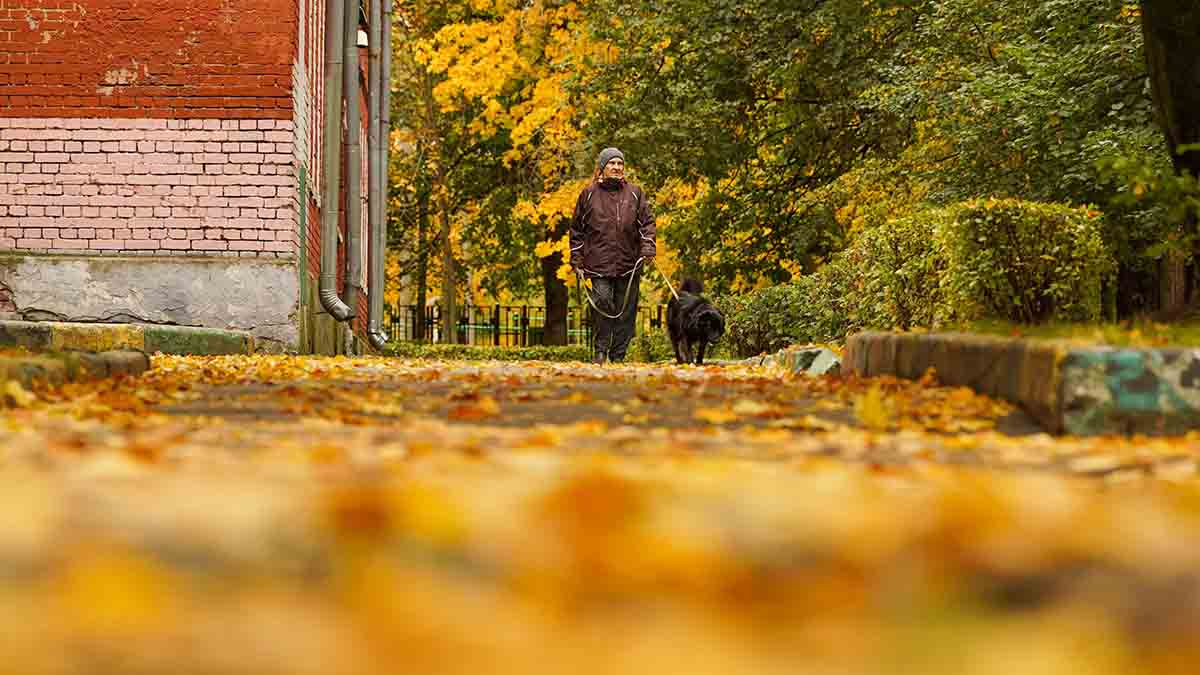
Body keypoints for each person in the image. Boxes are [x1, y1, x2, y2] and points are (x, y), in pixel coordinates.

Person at [569, 147, 657, 364]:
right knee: (602, 302)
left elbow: (647, 223)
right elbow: (576, 229)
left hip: (629, 263)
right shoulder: (588, 194)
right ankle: (600, 351)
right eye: (612, 164)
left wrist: (648, 247)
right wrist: (576, 257)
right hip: (597, 263)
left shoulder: (635, 193)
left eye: (620, 164)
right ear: (602, 167)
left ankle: (618, 356)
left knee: (626, 313)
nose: (617, 167)